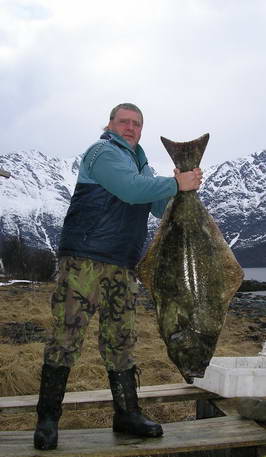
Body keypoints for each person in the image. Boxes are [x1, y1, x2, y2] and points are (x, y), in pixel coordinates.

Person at [34, 103, 202, 450]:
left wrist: (184, 190)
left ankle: (126, 414)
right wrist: (173, 183)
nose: (130, 127)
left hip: (123, 265)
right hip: (85, 260)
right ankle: (47, 419)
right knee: (66, 337)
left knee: (121, 340)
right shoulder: (102, 153)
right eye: (124, 122)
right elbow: (130, 190)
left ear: (141, 130)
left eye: (136, 124)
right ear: (110, 124)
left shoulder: (141, 164)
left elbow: (159, 206)